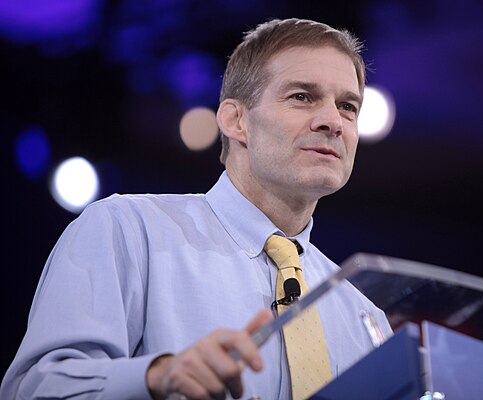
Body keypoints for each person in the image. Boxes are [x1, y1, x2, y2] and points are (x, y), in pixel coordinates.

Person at [1, 18, 392, 399]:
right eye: (302, 97)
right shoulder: (128, 231)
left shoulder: (364, 317)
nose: (332, 122)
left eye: (348, 106)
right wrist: (157, 377)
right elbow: (37, 389)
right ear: (235, 120)